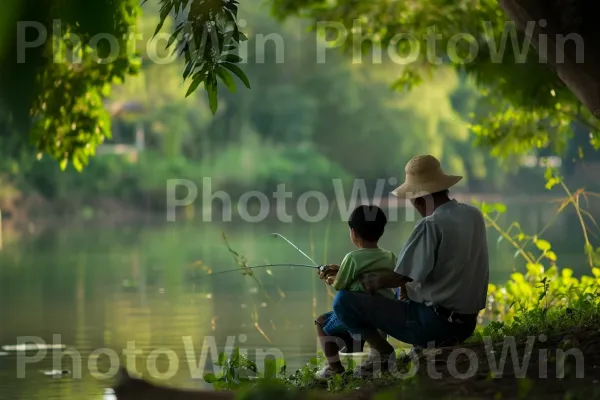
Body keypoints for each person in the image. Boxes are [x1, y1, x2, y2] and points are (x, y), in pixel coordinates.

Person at [319, 155, 489, 377]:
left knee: (343, 301)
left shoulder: (430, 225)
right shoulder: (473, 214)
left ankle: (380, 353)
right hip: (466, 324)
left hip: (435, 324)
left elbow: (400, 277)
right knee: (398, 293)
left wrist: (372, 281)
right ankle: (416, 343)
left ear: (418, 198)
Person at [314, 205, 398, 380]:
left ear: (353, 232)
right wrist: (340, 269)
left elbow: (340, 285)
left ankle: (334, 369)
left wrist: (328, 278)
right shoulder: (390, 256)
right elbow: (367, 275)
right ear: (381, 230)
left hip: (362, 313)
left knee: (321, 322)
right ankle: (378, 357)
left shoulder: (352, 258)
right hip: (387, 311)